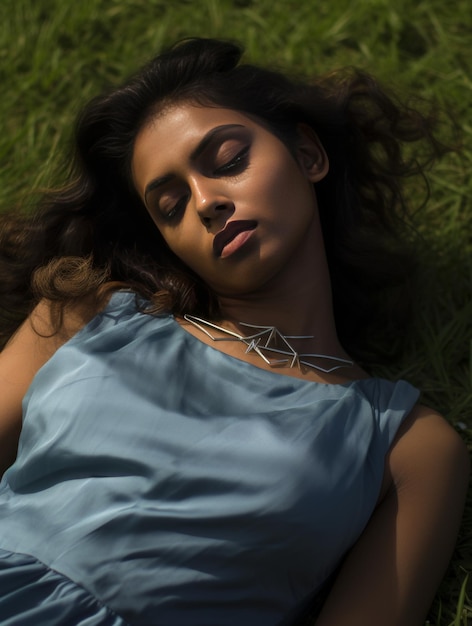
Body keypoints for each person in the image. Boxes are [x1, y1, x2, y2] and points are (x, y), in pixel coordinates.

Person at [0, 37, 468, 626]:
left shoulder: (406, 446)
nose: (204, 203)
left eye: (227, 161)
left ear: (307, 153)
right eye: (170, 205)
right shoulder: (86, 314)